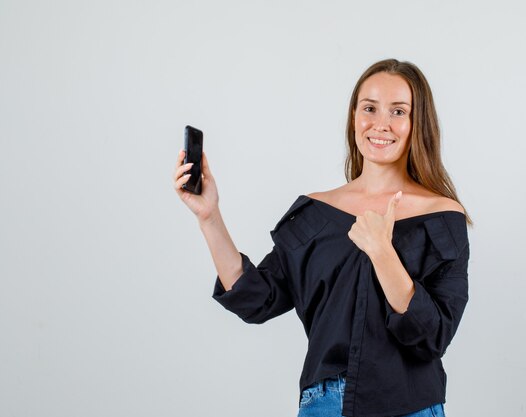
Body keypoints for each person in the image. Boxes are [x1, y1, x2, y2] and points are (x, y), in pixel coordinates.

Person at [173, 58, 473, 417]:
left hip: (409, 405)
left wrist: (382, 252)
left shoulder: (442, 217)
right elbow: (257, 299)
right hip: (325, 406)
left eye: (398, 111)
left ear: (416, 123)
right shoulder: (316, 213)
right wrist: (209, 216)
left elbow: (434, 336)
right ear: (354, 117)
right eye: (370, 108)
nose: (381, 124)